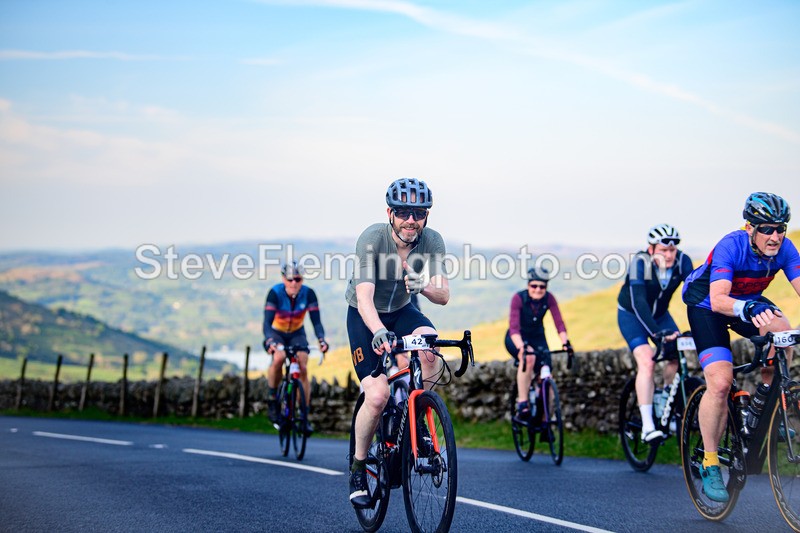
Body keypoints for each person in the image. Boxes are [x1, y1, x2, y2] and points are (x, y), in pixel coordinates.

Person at [683, 192, 799, 502]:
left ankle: (763, 401)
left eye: (780, 228)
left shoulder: (785, 249)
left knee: (783, 331)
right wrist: (745, 309)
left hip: (746, 302)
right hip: (707, 305)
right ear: (750, 227)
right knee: (720, 383)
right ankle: (709, 462)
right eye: (766, 229)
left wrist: (749, 308)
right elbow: (720, 299)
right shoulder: (730, 246)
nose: (775, 236)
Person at [346, 178, 449, 508]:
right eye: (403, 211)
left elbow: (443, 295)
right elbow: (364, 298)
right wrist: (377, 331)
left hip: (403, 309)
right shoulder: (372, 238)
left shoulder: (431, 241)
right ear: (390, 213)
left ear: (426, 216)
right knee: (377, 395)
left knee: (430, 348)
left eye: (418, 212)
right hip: (366, 316)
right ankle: (359, 467)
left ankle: (418, 417)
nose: (411, 219)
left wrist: (424, 287)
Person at [617, 223, 693, 443]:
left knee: (676, 356)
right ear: (651, 250)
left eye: (672, 250)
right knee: (648, 361)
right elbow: (639, 302)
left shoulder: (683, 261)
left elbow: (696, 293)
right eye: (663, 250)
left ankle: (664, 403)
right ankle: (648, 426)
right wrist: (658, 334)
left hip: (660, 315)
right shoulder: (640, 263)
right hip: (632, 315)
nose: (669, 255)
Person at [263, 261, 329, 430]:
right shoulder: (275, 293)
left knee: (303, 365)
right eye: (290, 279)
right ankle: (272, 400)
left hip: (297, 333)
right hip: (277, 332)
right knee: (279, 358)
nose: (294, 283)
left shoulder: (309, 294)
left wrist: (321, 340)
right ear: (283, 279)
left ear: (302, 279)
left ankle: (304, 415)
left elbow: (317, 323)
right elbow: (266, 323)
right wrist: (270, 341)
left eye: (298, 279)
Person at [505, 267, 570, 421]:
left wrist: (565, 343)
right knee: (529, 358)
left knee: (547, 376)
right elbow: (514, 328)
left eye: (542, 286)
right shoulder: (518, 298)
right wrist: (521, 348)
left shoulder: (549, 298)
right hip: (516, 337)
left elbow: (559, 323)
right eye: (534, 286)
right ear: (528, 285)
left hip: (538, 337)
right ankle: (522, 402)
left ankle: (544, 421)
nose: (538, 290)